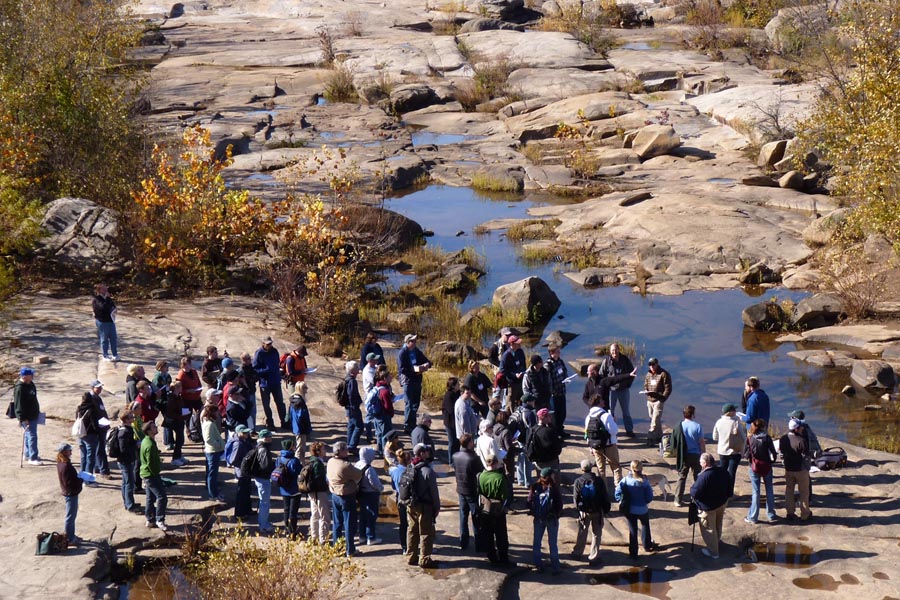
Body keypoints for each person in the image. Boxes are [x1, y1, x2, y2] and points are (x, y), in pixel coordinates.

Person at [615, 460, 660, 559]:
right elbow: (649, 497)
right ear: (641, 469)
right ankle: (647, 545)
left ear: (631, 468)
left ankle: (633, 552)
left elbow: (617, 493)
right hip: (642, 509)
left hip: (630, 510)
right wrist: (644, 502)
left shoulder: (625, 480)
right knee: (645, 526)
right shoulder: (645, 482)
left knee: (633, 530)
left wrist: (620, 501)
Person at [692, 453, 733, 559]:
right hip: (721, 503)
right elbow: (730, 485)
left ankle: (713, 551)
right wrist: (727, 497)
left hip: (708, 507)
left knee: (709, 528)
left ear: (705, 463)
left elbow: (695, 492)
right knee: (717, 524)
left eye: (700, 462)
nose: (699, 463)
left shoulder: (704, 476)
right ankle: (716, 542)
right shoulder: (723, 471)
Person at [407, 443, 441, 568]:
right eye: (426, 451)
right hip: (425, 506)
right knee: (426, 532)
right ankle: (425, 559)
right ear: (421, 453)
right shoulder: (428, 471)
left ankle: (411, 556)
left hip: (411, 505)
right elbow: (434, 492)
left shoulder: (409, 467)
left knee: (412, 530)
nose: (428, 452)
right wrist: (437, 507)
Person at [572, 459, 611, 564]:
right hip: (597, 511)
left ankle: (577, 553)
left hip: (584, 512)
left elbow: (575, 499)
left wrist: (579, 509)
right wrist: (606, 509)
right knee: (596, 534)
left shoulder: (578, 481)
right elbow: (604, 496)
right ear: (591, 468)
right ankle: (593, 557)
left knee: (582, 531)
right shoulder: (598, 481)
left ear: (582, 469)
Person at [327, 441, 363, 556]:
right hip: (346, 496)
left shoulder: (330, 461)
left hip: (334, 494)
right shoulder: (345, 465)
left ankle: (337, 548)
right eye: (345, 449)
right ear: (341, 451)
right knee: (349, 523)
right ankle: (350, 549)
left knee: (337, 523)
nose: (347, 451)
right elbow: (358, 474)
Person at [477, 454, 511, 565]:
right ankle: (503, 559)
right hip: (498, 511)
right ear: (496, 463)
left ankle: (492, 557)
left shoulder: (481, 476)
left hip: (485, 511)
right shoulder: (500, 478)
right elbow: (504, 496)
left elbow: (479, 493)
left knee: (488, 535)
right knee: (501, 536)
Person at [743, 418, 778, 524]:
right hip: (766, 466)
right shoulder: (767, 438)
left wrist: (751, 459)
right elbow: (773, 453)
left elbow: (745, 454)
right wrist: (773, 461)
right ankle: (771, 514)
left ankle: (753, 517)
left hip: (754, 467)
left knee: (756, 492)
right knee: (769, 490)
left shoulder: (749, 439)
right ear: (763, 427)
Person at [528, 467, 562, 574]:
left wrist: (534, 512)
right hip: (551, 519)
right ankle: (555, 567)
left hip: (538, 519)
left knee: (537, 543)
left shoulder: (535, 486)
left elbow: (528, 501)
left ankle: (538, 565)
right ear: (548, 476)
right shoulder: (553, 488)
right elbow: (559, 505)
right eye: (552, 474)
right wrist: (557, 515)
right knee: (553, 544)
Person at [453, 433, 483, 550]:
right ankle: (479, 544)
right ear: (469, 443)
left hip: (460, 489)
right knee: (476, 517)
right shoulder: (473, 458)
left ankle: (463, 542)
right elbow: (480, 471)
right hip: (471, 491)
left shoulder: (456, 456)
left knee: (463, 516)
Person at [672, 404, 705, 507]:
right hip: (696, 455)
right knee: (698, 478)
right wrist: (703, 455)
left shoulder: (678, 426)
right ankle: (697, 498)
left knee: (681, 477)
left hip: (683, 455)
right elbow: (701, 442)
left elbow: (675, 441)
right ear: (693, 414)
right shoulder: (697, 426)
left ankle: (677, 499)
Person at [243, 429, 276, 532]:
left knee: (263, 501)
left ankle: (264, 522)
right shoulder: (264, 450)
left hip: (259, 477)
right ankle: (263, 525)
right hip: (263, 478)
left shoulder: (259, 447)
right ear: (265, 438)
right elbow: (265, 466)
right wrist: (274, 466)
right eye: (269, 436)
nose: (271, 438)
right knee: (264, 503)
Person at [397, 334, 431, 434]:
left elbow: (427, 361)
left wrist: (426, 365)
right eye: (413, 341)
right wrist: (414, 370)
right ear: (408, 342)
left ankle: (413, 423)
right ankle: (407, 426)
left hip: (417, 380)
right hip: (408, 381)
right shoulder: (402, 353)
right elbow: (402, 369)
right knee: (409, 404)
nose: (415, 343)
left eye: (415, 341)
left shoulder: (416, 351)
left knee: (416, 403)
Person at [780, 418, 813, 521]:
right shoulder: (801, 441)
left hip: (789, 469)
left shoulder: (783, 439)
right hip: (801, 470)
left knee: (789, 491)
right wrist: (808, 467)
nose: (802, 428)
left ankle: (790, 513)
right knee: (804, 492)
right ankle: (805, 514)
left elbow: (782, 454)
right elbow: (806, 456)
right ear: (796, 429)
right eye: (800, 427)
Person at [599, 343, 635, 436]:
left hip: (624, 390)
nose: (614, 352)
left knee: (626, 411)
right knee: (610, 411)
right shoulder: (606, 361)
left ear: (619, 350)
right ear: (610, 352)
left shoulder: (625, 360)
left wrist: (628, 384)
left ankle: (629, 430)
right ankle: (610, 430)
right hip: (611, 391)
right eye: (612, 350)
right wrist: (605, 387)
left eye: (615, 350)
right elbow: (601, 375)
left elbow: (632, 373)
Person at [584, 402, 623, 486]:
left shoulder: (588, 417)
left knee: (600, 470)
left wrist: (591, 447)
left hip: (596, 447)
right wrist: (614, 421)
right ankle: (618, 490)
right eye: (601, 401)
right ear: (599, 403)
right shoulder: (606, 416)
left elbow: (587, 433)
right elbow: (614, 431)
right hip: (609, 446)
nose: (603, 403)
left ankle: (603, 492)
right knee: (616, 468)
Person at [140, 421, 168, 531]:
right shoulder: (150, 445)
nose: (156, 428)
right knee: (162, 497)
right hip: (151, 475)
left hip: (146, 474)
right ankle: (160, 519)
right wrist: (157, 472)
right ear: (149, 431)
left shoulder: (146, 441)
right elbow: (150, 463)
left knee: (150, 498)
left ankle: (150, 519)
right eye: (153, 427)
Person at [254, 337, 286, 430]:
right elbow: (255, 369)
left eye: (270, 344)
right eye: (268, 344)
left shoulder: (274, 351)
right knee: (266, 404)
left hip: (276, 381)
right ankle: (270, 423)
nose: (269, 346)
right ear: (263, 344)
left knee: (280, 402)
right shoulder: (259, 353)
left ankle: (283, 421)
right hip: (265, 383)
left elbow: (277, 364)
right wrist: (266, 370)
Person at [356, 447, 385, 545]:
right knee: (372, 515)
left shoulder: (357, 465)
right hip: (370, 494)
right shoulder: (369, 469)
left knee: (363, 515)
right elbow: (374, 483)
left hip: (361, 493)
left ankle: (362, 536)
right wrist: (381, 488)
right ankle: (371, 537)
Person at [225, 425, 255, 519]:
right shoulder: (238, 444)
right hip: (242, 472)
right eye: (245, 432)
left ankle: (247, 510)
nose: (247, 434)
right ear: (239, 433)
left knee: (247, 492)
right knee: (241, 494)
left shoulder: (244, 440)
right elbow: (233, 460)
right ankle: (239, 514)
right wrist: (244, 464)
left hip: (246, 471)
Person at [713, 403, 745, 486]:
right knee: (731, 473)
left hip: (722, 451)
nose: (735, 411)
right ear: (730, 412)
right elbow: (743, 437)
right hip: (734, 452)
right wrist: (743, 451)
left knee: (723, 472)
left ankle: (722, 492)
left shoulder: (718, 422)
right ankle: (729, 495)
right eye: (734, 410)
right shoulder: (736, 422)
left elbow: (715, 437)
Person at [276, 438, 304, 536]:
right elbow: (299, 473)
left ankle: (286, 529)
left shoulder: (279, 458)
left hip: (283, 488)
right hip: (294, 489)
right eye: (293, 445)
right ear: (290, 447)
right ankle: (292, 531)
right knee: (293, 512)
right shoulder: (294, 460)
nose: (295, 447)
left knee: (286, 509)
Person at [57, 442, 83, 543]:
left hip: (68, 492)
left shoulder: (60, 463)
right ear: (64, 452)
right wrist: (81, 479)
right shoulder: (66, 465)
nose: (71, 452)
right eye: (69, 450)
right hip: (71, 493)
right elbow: (70, 482)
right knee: (70, 516)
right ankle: (69, 538)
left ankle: (71, 535)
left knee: (71, 515)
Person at [307, 441, 332, 543]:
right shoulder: (318, 463)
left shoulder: (311, 461)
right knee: (324, 516)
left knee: (315, 515)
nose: (325, 451)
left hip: (312, 492)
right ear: (318, 451)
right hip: (319, 492)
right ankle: (323, 539)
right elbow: (319, 478)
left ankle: (314, 537)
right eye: (323, 449)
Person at [15, 367, 41, 465]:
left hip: (33, 414)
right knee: (32, 436)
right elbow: (19, 405)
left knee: (28, 435)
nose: (33, 376)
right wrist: (22, 418)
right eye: (31, 375)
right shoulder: (20, 388)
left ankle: (27, 454)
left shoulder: (30, 384)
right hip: (27, 417)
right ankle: (33, 458)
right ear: (25, 376)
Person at [116, 410, 141, 513]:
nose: (133, 419)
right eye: (131, 417)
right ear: (126, 420)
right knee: (129, 483)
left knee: (125, 482)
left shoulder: (124, 429)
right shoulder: (124, 432)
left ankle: (127, 503)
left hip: (125, 460)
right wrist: (136, 445)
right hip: (125, 461)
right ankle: (130, 505)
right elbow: (123, 449)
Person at [643, 357, 671, 446]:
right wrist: (646, 391)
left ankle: (650, 438)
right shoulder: (648, 374)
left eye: (653, 364)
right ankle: (660, 437)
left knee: (654, 421)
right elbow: (645, 385)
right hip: (650, 400)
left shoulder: (664, 374)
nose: (651, 366)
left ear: (657, 364)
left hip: (659, 400)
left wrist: (663, 398)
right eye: (650, 365)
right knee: (653, 418)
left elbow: (668, 388)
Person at [201, 402, 225, 502]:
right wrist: (219, 444)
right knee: (212, 474)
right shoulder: (209, 424)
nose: (218, 414)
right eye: (216, 412)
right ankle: (213, 495)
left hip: (212, 451)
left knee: (212, 474)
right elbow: (208, 439)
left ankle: (214, 491)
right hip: (212, 452)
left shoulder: (209, 422)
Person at [75, 389, 102, 477]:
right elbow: (94, 424)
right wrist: (98, 431)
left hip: (80, 434)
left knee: (83, 457)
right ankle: (88, 480)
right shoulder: (91, 409)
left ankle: (82, 476)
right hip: (90, 435)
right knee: (90, 459)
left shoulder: (79, 408)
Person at [512, 394, 537, 487]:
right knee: (528, 461)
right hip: (526, 440)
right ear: (528, 402)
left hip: (519, 438)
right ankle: (528, 482)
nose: (534, 402)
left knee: (520, 460)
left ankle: (520, 480)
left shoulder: (518, 409)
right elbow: (533, 429)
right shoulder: (529, 413)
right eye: (532, 400)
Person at [390, 449, 412, 554]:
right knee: (412, 524)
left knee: (403, 523)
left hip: (399, 498)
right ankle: (412, 545)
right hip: (409, 500)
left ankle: (404, 546)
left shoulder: (394, 471)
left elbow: (393, 486)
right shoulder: (409, 470)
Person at [527, 408, 562, 473]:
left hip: (538, 461)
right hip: (549, 461)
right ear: (544, 418)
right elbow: (557, 448)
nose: (551, 417)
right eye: (549, 416)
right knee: (553, 480)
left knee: (541, 479)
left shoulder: (532, 429)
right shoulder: (548, 431)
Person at [370, 366, 395, 456]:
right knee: (386, 435)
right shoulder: (384, 391)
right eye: (389, 376)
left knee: (379, 433)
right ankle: (386, 453)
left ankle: (380, 450)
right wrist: (391, 413)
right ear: (385, 378)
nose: (391, 377)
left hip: (377, 414)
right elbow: (387, 405)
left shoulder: (378, 386)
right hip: (384, 415)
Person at [545, 344, 569, 438]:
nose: (559, 353)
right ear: (552, 353)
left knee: (563, 413)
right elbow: (548, 381)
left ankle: (561, 430)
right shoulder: (548, 365)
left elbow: (564, 372)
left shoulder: (560, 361)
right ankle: (556, 433)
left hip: (562, 391)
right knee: (555, 414)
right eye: (557, 351)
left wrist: (566, 378)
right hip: (554, 394)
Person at [92, 283, 118, 361]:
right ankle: (105, 355)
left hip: (110, 320)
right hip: (102, 321)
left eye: (106, 288)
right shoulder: (97, 299)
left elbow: (113, 306)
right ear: (99, 290)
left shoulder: (109, 299)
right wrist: (106, 299)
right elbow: (103, 307)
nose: (106, 289)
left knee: (113, 338)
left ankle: (115, 354)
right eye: (103, 288)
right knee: (104, 338)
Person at [499, 335, 526, 409]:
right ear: (512, 344)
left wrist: (523, 372)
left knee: (521, 400)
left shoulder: (520, 351)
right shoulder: (506, 355)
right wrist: (514, 375)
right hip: (512, 383)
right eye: (517, 343)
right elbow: (502, 369)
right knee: (510, 403)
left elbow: (523, 364)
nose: (520, 344)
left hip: (521, 381)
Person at [343, 361, 364, 453]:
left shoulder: (347, 379)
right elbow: (351, 394)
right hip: (353, 407)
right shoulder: (352, 381)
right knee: (359, 426)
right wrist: (354, 406)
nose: (358, 370)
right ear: (353, 371)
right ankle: (352, 446)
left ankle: (349, 444)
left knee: (351, 425)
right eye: (357, 368)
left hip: (348, 407)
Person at [288, 381, 312, 460]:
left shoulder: (293, 399)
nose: (307, 389)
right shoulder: (300, 402)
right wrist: (306, 428)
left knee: (299, 446)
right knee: (301, 449)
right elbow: (302, 416)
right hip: (301, 428)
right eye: (305, 387)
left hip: (296, 427)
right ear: (300, 389)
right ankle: (299, 463)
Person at [164, 381, 186, 466]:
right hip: (175, 421)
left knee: (180, 440)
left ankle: (179, 455)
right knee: (179, 440)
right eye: (180, 386)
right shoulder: (172, 398)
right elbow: (170, 412)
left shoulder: (178, 396)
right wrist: (180, 415)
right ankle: (175, 458)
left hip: (179, 420)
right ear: (176, 388)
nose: (181, 388)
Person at [441, 377, 461, 465]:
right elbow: (451, 410)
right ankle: (451, 461)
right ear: (453, 386)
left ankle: (456, 458)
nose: (459, 385)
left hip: (456, 422)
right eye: (457, 384)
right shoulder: (448, 395)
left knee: (457, 442)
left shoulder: (457, 393)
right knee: (452, 442)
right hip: (450, 423)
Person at [237, 352, 259, 429]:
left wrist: (253, 379)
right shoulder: (240, 371)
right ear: (244, 360)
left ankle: (253, 428)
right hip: (245, 394)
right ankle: (248, 429)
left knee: (253, 412)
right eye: (249, 358)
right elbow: (240, 383)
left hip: (252, 392)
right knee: (247, 412)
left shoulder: (251, 368)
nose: (251, 360)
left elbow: (256, 376)